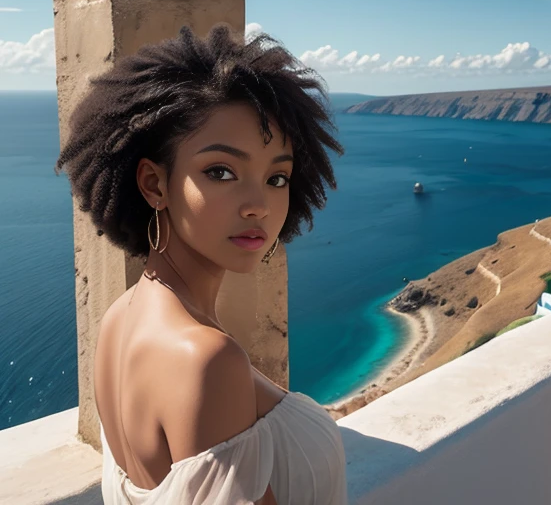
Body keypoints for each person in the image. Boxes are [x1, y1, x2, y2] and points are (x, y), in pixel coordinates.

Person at [57, 26, 347, 504]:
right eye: (221, 172)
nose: (259, 205)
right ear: (153, 184)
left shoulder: (119, 320)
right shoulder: (207, 359)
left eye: (277, 177)